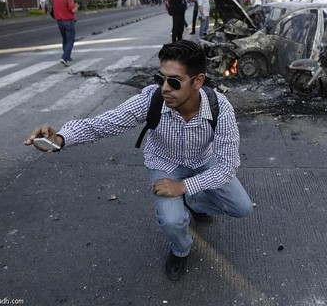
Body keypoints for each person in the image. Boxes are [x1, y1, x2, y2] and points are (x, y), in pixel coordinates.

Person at [23, 40, 253, 282]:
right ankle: (180, 250)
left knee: (242, 207)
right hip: (164, 165)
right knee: (172, 222)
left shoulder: (220, 108)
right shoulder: (151, 100)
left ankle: (195, 204)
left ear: (197, 81)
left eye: (174, 82)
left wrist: (185, 188)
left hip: (202, 162)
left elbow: (227, 165)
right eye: (160, 78)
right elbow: (104, 124)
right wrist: (60, 138)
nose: (164, 88)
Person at [52, 0, 79, 66]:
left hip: (59, 21)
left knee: (65, 39)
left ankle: (67, 56)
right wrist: (77, 6)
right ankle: (64, 57)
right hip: (68, 21)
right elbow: (73, 10)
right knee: (70, 40)